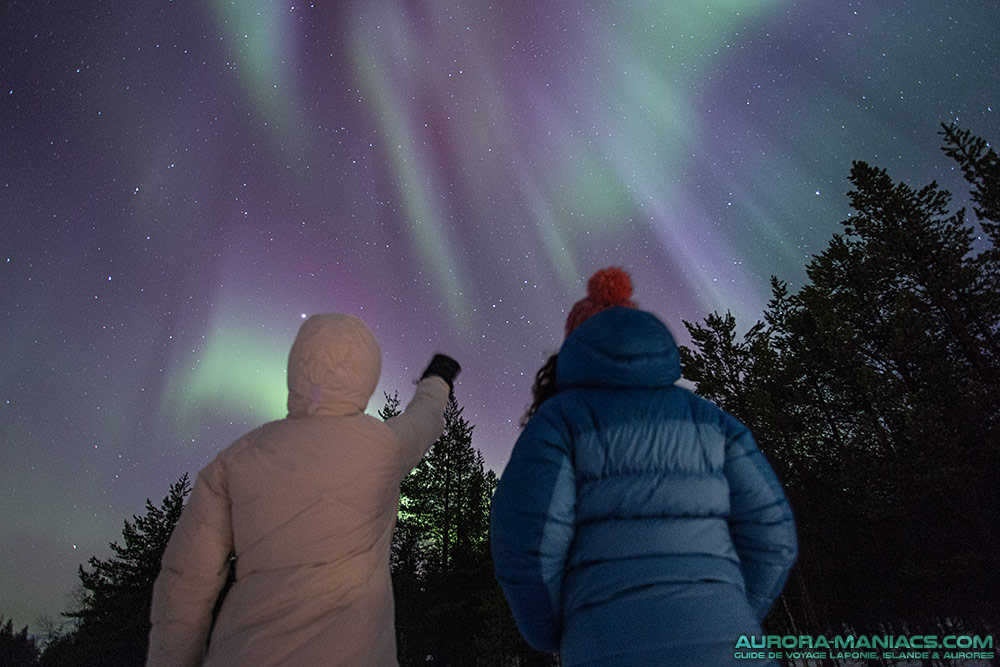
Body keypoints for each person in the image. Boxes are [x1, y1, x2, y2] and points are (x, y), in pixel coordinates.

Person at [490, 267, 797, 667]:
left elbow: (527, 541)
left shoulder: (557, 423)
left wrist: (550, 631)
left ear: (573, 346)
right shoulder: (713, 422)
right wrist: (734, 610)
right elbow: (773, 534)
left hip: (605, 646)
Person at [146, 313, 460, 667]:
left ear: (296, 366)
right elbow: (425, 419)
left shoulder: (237, 460)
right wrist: (438, 379)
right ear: (367, 373)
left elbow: (186, 584)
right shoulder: (384, 447)